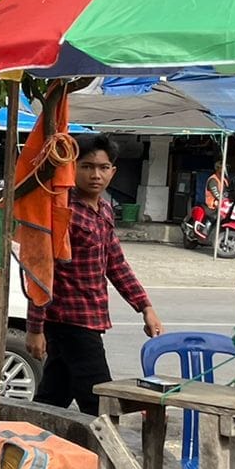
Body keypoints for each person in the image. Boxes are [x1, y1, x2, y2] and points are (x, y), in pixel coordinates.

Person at [26, 134, 164, 415]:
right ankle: (107, 457)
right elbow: (41, 270)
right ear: (72, 167)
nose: (95, 175)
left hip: (90, 318)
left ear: (113, 171)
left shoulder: (103, 210)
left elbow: (116, 264)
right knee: (100, 404)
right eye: (87, 166)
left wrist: (145, 307)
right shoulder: (63, 211)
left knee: (52, 401)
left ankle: (29, 450)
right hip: (68, 322)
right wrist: (35, 328)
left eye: (103, 168)